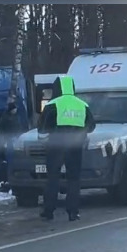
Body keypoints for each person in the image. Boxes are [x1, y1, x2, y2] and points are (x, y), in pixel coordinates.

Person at [37, 75, 95, 221]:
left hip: (56, 145)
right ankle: (73, 212)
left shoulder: (53, 104)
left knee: (52, 178)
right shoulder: (82, 105)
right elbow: (91, 126)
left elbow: (43, 128)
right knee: (74, 178)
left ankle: (49, 210)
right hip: (75, 145)